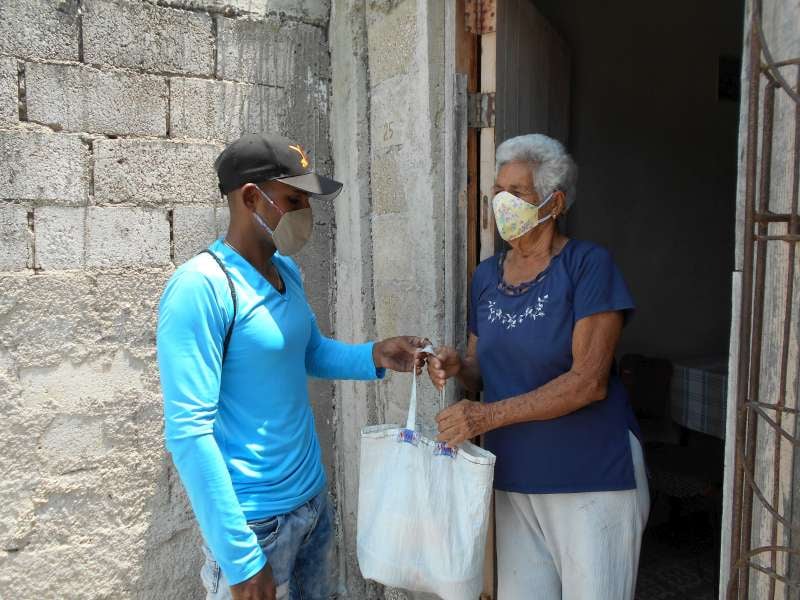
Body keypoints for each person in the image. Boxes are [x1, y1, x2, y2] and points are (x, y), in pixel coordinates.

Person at [157, 133, 427, 600]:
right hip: (255, 525)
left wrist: (374, 354)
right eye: (293, 198)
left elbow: (309, 353)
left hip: (311, 508)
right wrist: (240, 561)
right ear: (250, 197)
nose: (306, 212)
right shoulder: (201, 288)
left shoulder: (286, 271)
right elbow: (188, 432)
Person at [427, 134, 649, 599]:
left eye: (519, 192)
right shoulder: (486, 276)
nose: (502, 202)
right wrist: (457, 365)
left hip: (591, 477)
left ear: (555, 202)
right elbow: (481, 370)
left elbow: (588, 382)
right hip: (513, 476)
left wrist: (484, 417)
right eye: (498, 191)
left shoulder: (588, 265)